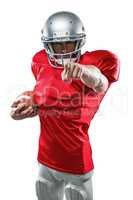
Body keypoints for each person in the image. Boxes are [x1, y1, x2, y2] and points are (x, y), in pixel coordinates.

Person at [10, 11, 120, 200]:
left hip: (76, 162)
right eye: (57, 44)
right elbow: (45, 94)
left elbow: (100, 82)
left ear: (79, 42)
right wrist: (29, 102)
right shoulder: (40, 62)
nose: (62, 50)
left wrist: (83, 72)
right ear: (47, 45)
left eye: (68, 43)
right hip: (45, 158)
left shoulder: (94, 64)